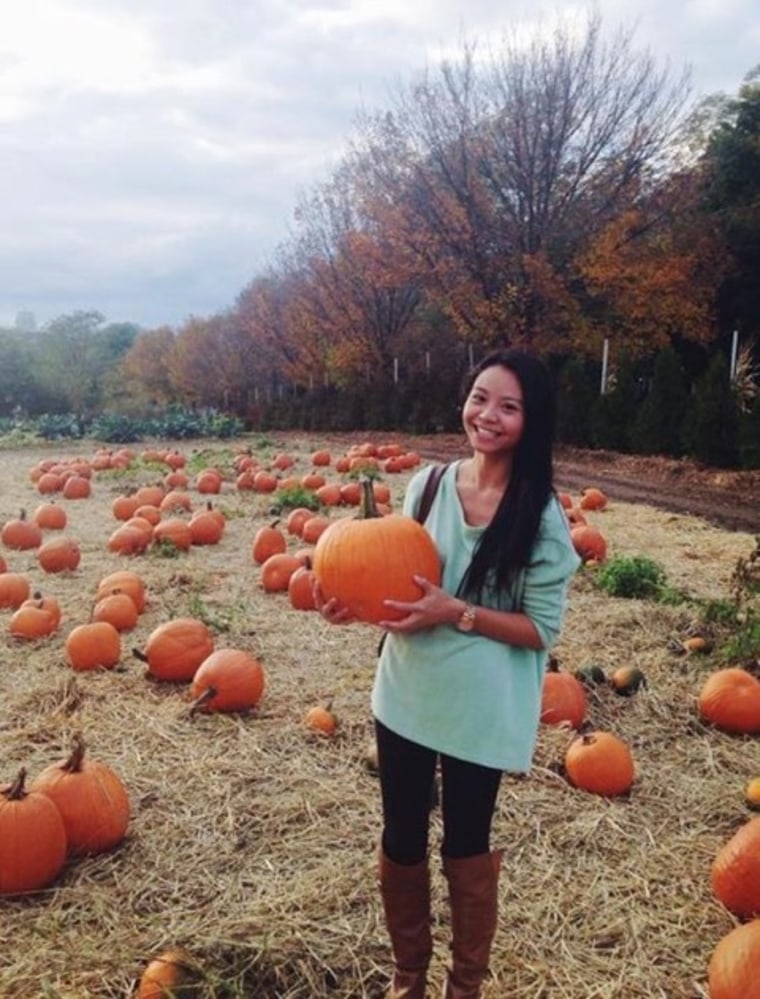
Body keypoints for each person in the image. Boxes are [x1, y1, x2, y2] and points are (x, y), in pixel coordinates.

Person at [317, 348, 580, 998]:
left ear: (531, 421)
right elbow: (392, 579)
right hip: (407, 690)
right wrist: (349, 605)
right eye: (480, 397)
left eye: (508, 406)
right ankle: (409, 976)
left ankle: (465, 985)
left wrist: (457, 611)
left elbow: (541, 628)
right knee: (401, 834)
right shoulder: (427, 485)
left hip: (479, 705)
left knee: (466, 840)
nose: (487, 415)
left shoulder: (541, 517)